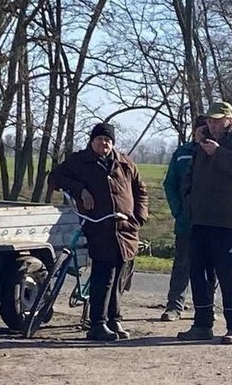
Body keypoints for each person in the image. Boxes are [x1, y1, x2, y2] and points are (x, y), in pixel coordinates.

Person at [49, 122, 149, 341]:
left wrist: (139, 217)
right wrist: (80, 190)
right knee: (103, 276)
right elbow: (55, 178)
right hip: (100, 226)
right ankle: (97, 323)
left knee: (119, 278)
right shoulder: (79, 161)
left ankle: (114, 319)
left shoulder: (125, 163)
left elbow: (141, 190)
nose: (103, 143)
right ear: (92, 141)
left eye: (107, 140)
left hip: (126, 230)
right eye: (99, 139)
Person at [177, 101, 232, 345]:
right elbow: (189, 175)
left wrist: (219, 153)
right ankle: (202, 324)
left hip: (229, 220)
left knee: (229, 274)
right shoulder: (200, 145)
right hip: (201, 218)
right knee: (199, 273)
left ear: (229, 119)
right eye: (209, 121)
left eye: (217, 120)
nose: (212, 125)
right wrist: (188, 200)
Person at [160, 115, 217, 321]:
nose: (204, 132)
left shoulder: (217, 151)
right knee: (182, 264)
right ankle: (174, 305)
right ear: (194, 130)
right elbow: (169, 184)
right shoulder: (182, 153)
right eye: (201, 128)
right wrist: (177, 209)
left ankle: (207, 307)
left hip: (211, 219)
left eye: (207, 128)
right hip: (186, 219)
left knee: (210, 266)